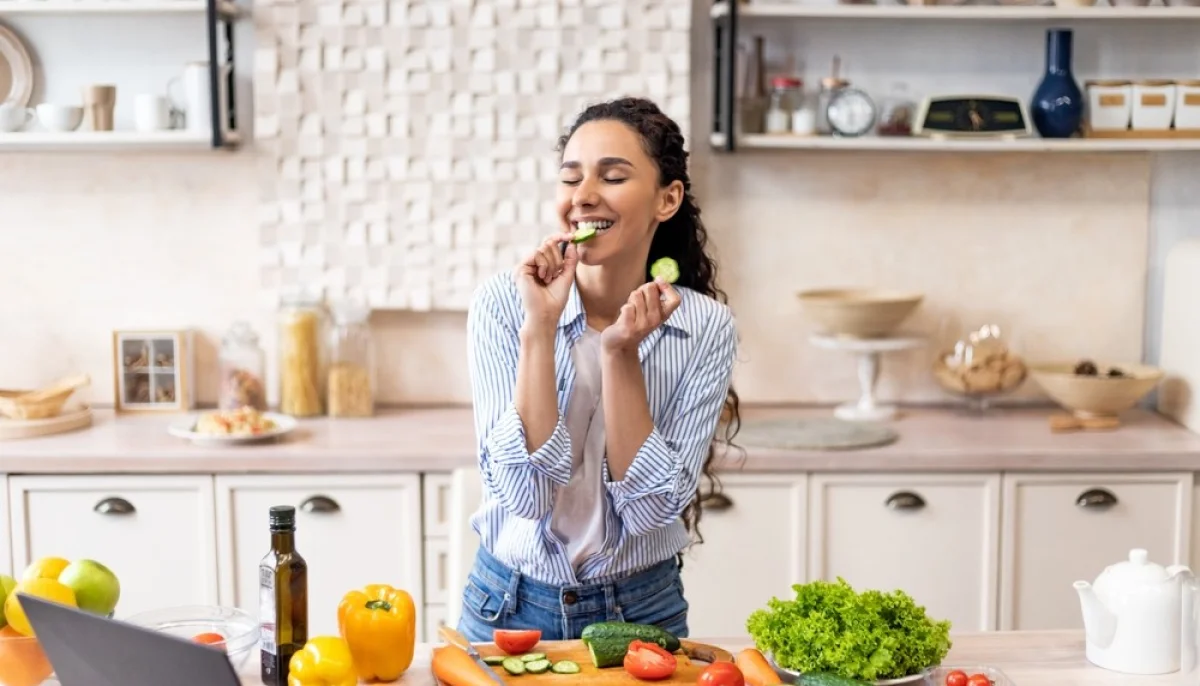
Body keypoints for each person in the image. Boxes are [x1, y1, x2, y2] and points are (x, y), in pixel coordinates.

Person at [459, 96, 741, 643]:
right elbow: (525, 496)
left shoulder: (707, 327)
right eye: (570, 179)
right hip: (506, 608)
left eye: (612, 177)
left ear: (668, 199)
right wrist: (539, 329)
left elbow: (652, 510)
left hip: (642, 611)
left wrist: (620, 354)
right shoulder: (502, 304)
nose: (583, 197)